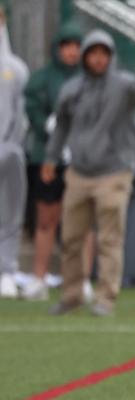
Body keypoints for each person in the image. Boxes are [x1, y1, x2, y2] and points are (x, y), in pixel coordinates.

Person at [44, 30, 135, 316]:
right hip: (78, 173)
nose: (98, 58)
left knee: (109, 240)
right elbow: (61, 127)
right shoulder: (71, 89)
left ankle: (106, 298)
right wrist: (51, 159)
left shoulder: (123, 86)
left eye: (104, 53)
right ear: (85, 57)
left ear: (111, 56)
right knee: (70, 239)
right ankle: (72, 294)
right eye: (93, 53)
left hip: (113, 173)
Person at [21, 22, 95, 303]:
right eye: (67, 47)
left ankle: (82, 279)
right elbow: (32, 105)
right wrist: (48, 126)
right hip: (49, 156)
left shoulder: (91, 80)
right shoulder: (42, 79)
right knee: (46, 219)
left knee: (84, 222)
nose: (72, 53)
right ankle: (39, 278)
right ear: (58, 49)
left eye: (77, 47)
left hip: (82, 158)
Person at [0, 2, 28, 299]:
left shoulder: (16, 69)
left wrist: (11, 144)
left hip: (8, 150)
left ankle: (6, 270)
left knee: (9, 211)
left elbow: (20, 115)